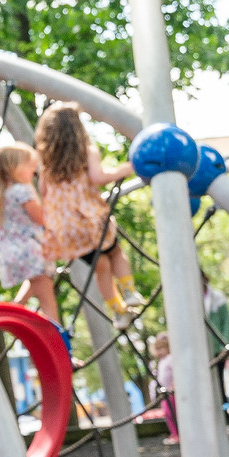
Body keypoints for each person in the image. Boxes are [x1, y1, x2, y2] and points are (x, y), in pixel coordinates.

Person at [34, 102, 141, 322]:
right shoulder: (86, 151)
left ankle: (119, 313)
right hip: (89, 219)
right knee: (115, 253)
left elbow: (43, 191)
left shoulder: (46, 161)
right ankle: (129, 292)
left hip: (66, 229)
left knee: (101, 268)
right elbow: (98, 178)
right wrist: (127, 168)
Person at [0, 140, 58, 321]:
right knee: (46, 294)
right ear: (14, 167)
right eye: (30, 166)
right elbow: (41, 218)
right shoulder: (22, 190)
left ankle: (15, 307)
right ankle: (56, 332)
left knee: (35, 282)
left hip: (13, 252)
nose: (33, 171)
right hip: (29, 251)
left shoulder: (3, 193)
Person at [153, 332, 179, 445]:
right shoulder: (161, 361)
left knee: (174, 413)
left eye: (161, 348)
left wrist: (174, 385)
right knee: (167, 414)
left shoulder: (170, 358)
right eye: (157, 349)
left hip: (172, 392)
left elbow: (175, 372)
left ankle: (177, 434)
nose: (159, 351)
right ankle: (173, 433)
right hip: (164, 393)